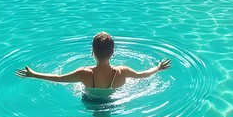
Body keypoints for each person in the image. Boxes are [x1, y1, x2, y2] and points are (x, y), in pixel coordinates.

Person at [15, 32, 171, 96]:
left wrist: (33, 74)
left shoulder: (85, 73)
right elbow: (143, 75)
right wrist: (158, 68)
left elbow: (58, 78)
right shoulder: (123, 72)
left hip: (90, 102)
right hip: (113, 101)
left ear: (92, 52)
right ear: (113, 52)